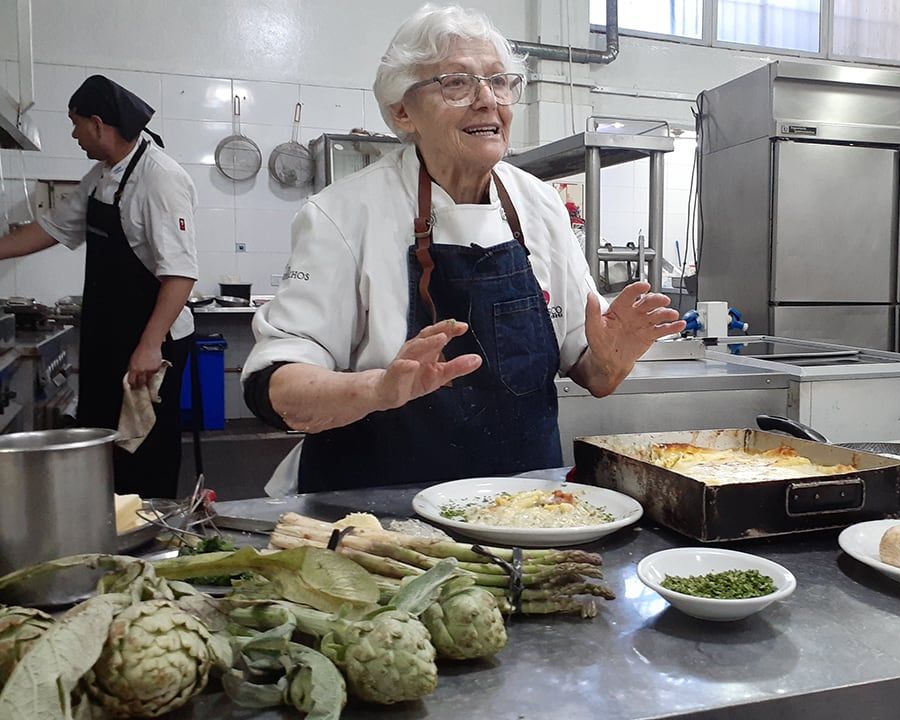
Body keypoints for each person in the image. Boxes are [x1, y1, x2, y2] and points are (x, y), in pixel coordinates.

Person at [242, 3, 684, 494]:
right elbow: (276, 385)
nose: (486, 100)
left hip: (523, 509)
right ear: (402, 111)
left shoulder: (538, 203)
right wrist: (378, 389)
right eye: (456, 82)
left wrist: (615, 357)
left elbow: (591, 371)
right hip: (379, 513)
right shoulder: (343, 213)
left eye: (500, 82)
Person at [0, 75, 198, 498]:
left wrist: (149, 346)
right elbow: (50, 229)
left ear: (98, 123)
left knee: (145, 448)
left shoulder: (160, 177)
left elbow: (180, 274)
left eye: (75, 124)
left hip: (152, 340)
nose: (73, 134)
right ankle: (108, 527)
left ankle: (153, 533)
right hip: (109, 335)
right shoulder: (101, 176)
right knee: (106, 442)